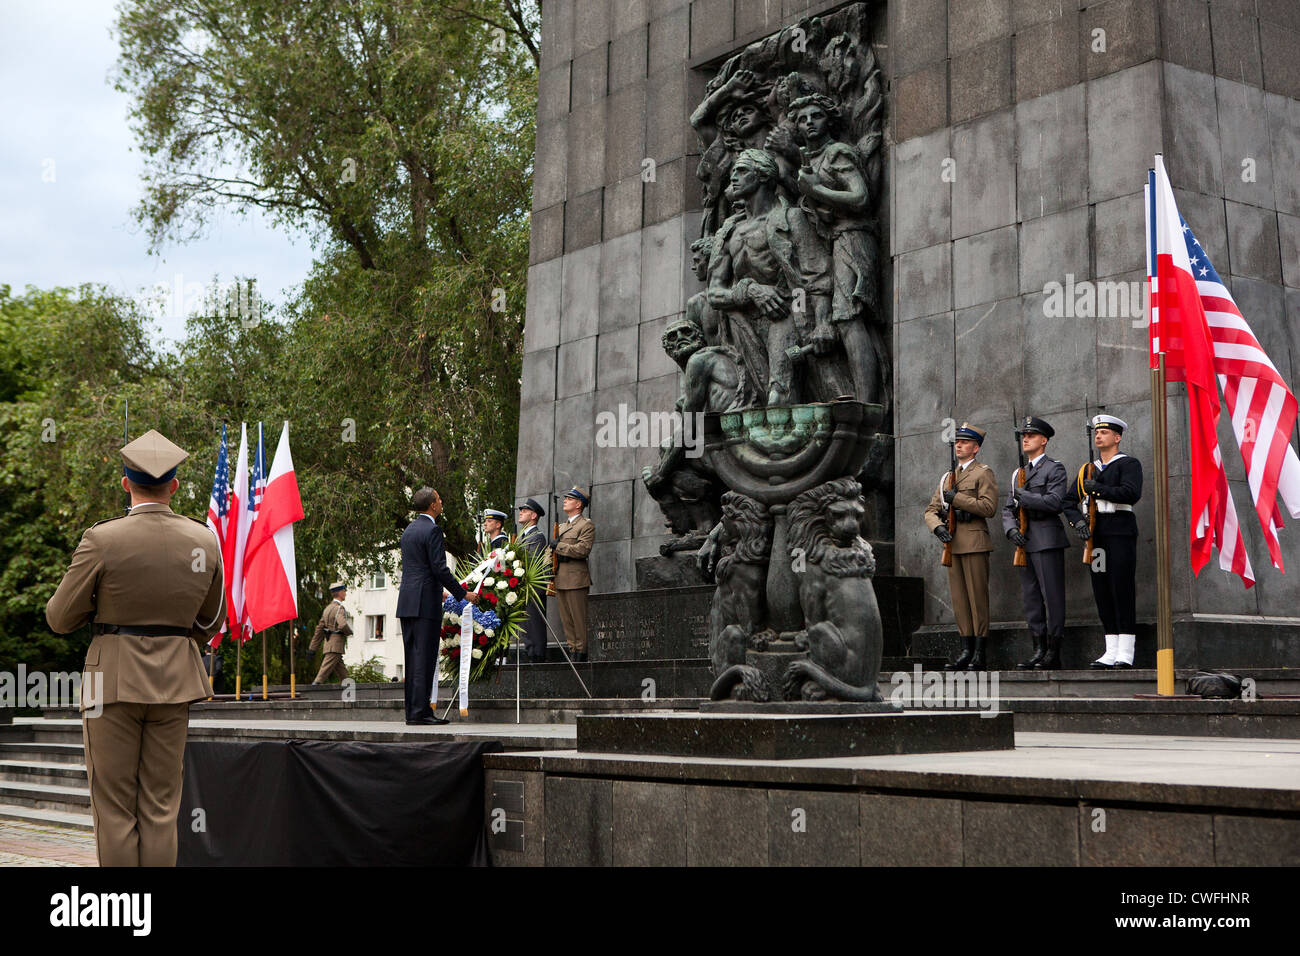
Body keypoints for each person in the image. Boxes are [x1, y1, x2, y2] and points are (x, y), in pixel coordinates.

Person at [45, 429, 225, 867]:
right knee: (162, 809)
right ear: (175, 485)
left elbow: (59, 617)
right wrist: (175, 642)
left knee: (115, 811)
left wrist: (99, 613)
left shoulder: (102, 539)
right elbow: (212, 619)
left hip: (111, 685)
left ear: (126, 483)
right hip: (176, 683)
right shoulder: (205, 540)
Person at [1063, 414, 1144, 668]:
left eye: (1105, 432)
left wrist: (1096, 488)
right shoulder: (1088, 469)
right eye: (1097, 432)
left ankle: (1126, 651)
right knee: (1102, 590)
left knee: (1121, 588)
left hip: (1119, 533)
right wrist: (1079, 524)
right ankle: (1111, 650)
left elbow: (1131, 493)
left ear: (1117, 437)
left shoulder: (1128, 464)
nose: (1099, 436)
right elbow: (1068, 502)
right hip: (1096, 539)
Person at [396, 487, 478, 725]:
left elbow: (418, 568)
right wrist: (462, 594)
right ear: (432, 505)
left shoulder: (409, 530)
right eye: (440, 499)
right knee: (424, 657)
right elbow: (439, 568)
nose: (442, 503)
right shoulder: (433, 529)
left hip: (408, 601)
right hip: (424, 605)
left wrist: (438, 591)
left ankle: (413, 712)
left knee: (412, 658)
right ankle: (422, 713)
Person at [922, 423, 999, 671]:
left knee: (977, 599)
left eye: (965, 442)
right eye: (957, 442)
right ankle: (965, 649)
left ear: (975, 448)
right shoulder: (947, 478)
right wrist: (938, 528)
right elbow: (931, 510)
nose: (959, 445)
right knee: (960, 601)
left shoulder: (983, 473)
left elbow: (989, 507)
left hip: (975, 542)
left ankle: (980, 652)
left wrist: (958, 499)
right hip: (952, 544)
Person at [1002, 416, 1070, 670]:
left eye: (1031, 436)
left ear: (1044, 440)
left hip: (1047, 540)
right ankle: (1038, 649)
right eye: (1023, 436)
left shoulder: (1054, 469)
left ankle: (1054, 651)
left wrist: (1025, 496)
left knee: (1052, 598)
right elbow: (1008, 509)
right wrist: (1011, 531)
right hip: (1025, 542)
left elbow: (1055, 502)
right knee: (1031, 599)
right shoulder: (1019, 473)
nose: (1025, 439)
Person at [552, 486, 595, 662]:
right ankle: (572, 650)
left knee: (578, 619)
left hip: (576, 578)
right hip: (560, 576)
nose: (565, 501)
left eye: (569, 499)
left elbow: (583, 550)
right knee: (567, 621)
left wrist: (559, 546)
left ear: (578, 504)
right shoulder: (561, 527)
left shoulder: (586, 525)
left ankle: (581, 652)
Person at [516, 498, 549, 663]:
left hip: (534, 587)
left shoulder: (537, 536)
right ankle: (530, 651)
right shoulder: (521, 537)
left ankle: (537, 654)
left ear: (534, 515)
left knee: (534, 623)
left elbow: (532, 560)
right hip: (523, 586)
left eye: (525, 510)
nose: (521, 512)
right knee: (526, 625)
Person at [309, 582, 352, 683]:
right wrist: (349, 632)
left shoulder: (327, 609)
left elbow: (319, 630)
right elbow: (343, 624)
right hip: (336, 645)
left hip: (328, 643)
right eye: (344, 591)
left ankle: (350, 687)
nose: (345, 593)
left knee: (343, 673)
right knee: (324, 671)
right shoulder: (339, 608)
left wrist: (312, 648)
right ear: (340, 592)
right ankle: (315, 685)